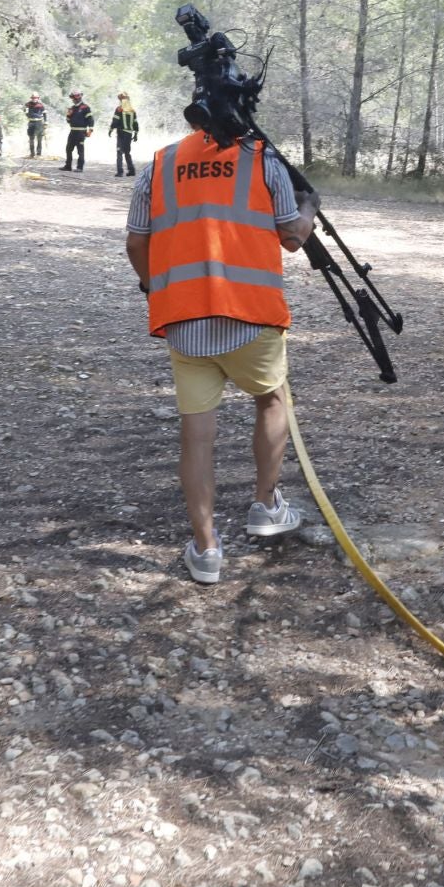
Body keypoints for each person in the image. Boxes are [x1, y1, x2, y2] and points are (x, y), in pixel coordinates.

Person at [123, 103, 319, 584]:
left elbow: (135, 242)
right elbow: (293, 237)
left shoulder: (161, 164)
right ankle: (266, 504)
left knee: (197, 434)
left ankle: (207, 549)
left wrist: (155, 288)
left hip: (185, 321)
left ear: (193, 115)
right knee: (272, 401)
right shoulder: (263, 161)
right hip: (250, 316)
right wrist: (310, 206)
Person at [108, 92, 139, 177]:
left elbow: (115, 121)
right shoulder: (132, 110)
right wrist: (136, 134)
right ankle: (131, 170)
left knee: (119, 152)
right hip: (129, 134)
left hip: (121, 133)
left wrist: (111, 129)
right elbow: (135, 123)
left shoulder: (119, 109)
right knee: (127, 152)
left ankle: (120, 172)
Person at [62, 90, 94, 171]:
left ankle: (80, 167)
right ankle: (68, 166)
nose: (73, 100)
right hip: (72, 131)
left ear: (79, 98)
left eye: (74, 98)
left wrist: (90, 130)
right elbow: (68, 120)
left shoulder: (85, 107)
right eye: (72, 98)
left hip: (81, 132)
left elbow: (90, 119)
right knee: (68, 149)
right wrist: (68, 115)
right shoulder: (72, 108)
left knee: (80, 150)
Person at [23, 93, 47, 157]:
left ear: (38, 98)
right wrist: (27, 113)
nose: (34, 99)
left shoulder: (41, 105)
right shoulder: (28, 104)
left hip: (39, 122)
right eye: (33, 98)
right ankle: (32, 153)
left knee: (39, 138)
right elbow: (25, 111)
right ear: (31, 98)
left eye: (36, 98)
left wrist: (45, 122)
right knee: (31, 138)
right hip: (31, 122)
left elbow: (44, 113)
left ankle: (39, 153)